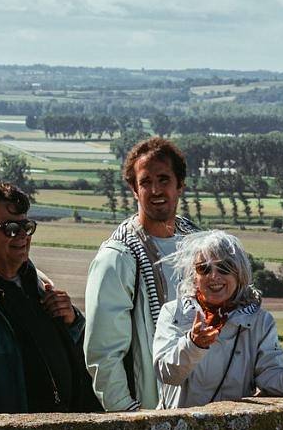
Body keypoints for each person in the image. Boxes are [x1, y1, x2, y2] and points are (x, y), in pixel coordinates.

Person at [0, 182, 101, 415]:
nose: (22, 235)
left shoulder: (39, 284)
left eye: (27, 227)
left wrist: (72, 321)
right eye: (10, 228)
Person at [152, 230, 283, 409]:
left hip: (231, 428)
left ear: (239, 273)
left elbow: (269, 375)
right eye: (204, 268)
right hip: (179, 429)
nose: (214, 276)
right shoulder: (173, 312)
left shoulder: (260, 321)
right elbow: (166, 374)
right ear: (194, 276)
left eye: (224, 267)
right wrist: (193, 345)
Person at [83, 137, 198, 411]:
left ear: (180, 184)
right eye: (146, 182)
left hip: (207, 406)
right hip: (153, 410)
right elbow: (103, 351)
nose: (155, 190)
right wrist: (126, 412)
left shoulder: (200, 245)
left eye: (164, 179)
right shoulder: (118, 256)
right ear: (134, 189)